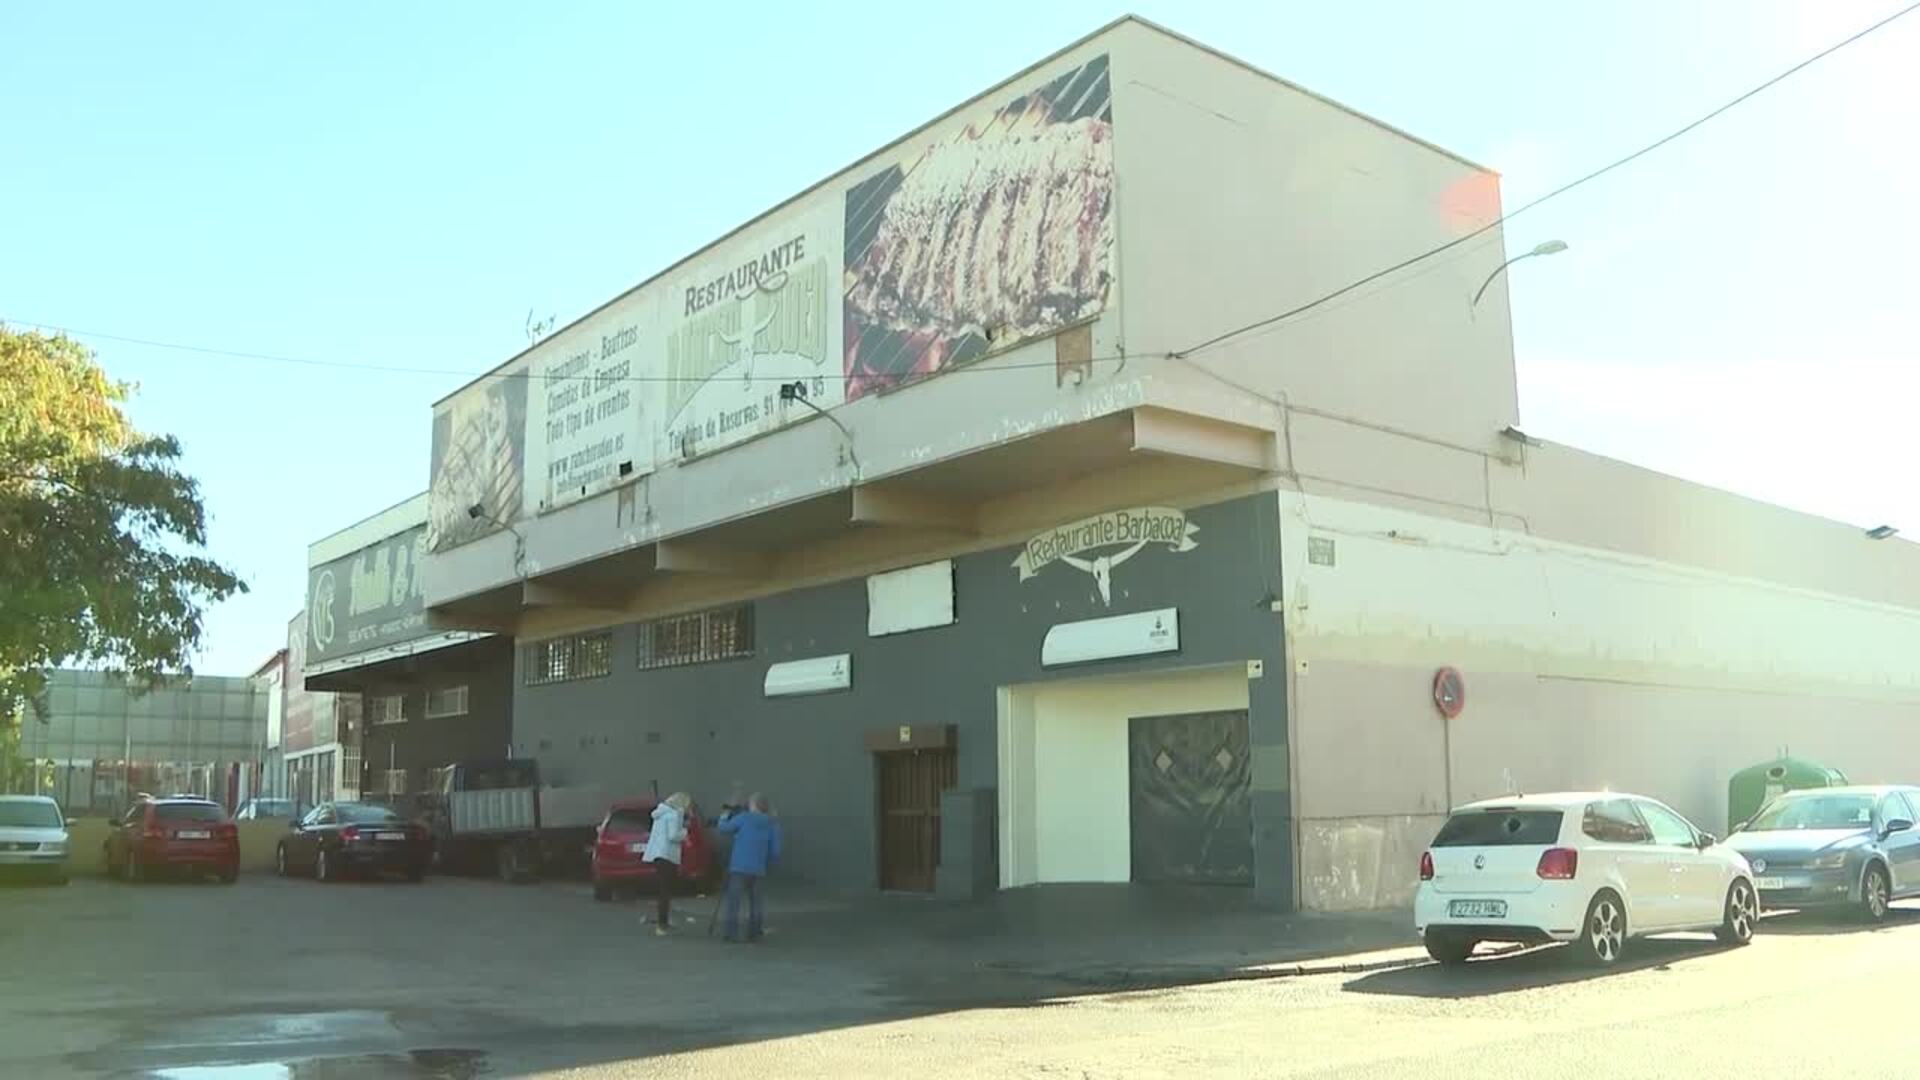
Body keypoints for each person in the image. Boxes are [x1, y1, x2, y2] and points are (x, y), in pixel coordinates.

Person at [717, 793, 780, 943]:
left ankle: (731, 933)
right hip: (758, 868)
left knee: (734, 901)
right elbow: (775, 851)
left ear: (754, 805)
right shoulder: (772, 824)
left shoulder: (744, 818)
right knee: (756, 902)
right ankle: (754, 933)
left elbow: (723, 828)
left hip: (739, 866)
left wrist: (725, 814)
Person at [640, 791, 691, 936]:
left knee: (663, 889)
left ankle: (663, 922)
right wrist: (685, 831)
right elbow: (673, 835)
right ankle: (662, 924)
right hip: (668, 855)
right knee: (666, 891)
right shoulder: (674, 815)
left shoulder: (660, 813)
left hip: (658, 854)